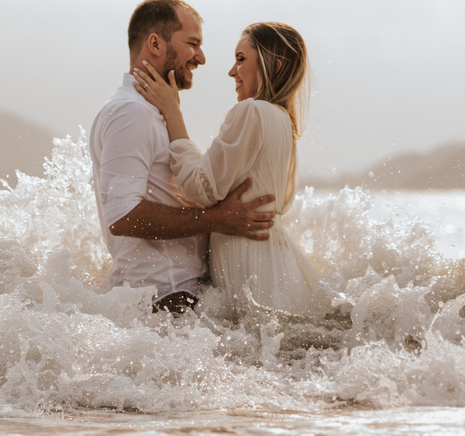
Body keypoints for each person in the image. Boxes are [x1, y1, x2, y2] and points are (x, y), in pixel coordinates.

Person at [90, 0, 279, 315]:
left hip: (176, 298)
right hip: (165, 301)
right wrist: (218, 220)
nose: (202, 58)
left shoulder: (151, 112)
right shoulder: (131, 113)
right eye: (193, 43)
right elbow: (123, 216)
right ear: (155, 43)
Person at [133, 21, 330, 319]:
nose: (231, 72)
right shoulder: (281, 120)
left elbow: (199, 187)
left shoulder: (252, 111)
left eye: (241, 60)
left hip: (253, 267)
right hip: (272, 260)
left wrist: (173, 112)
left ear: (273, 66)